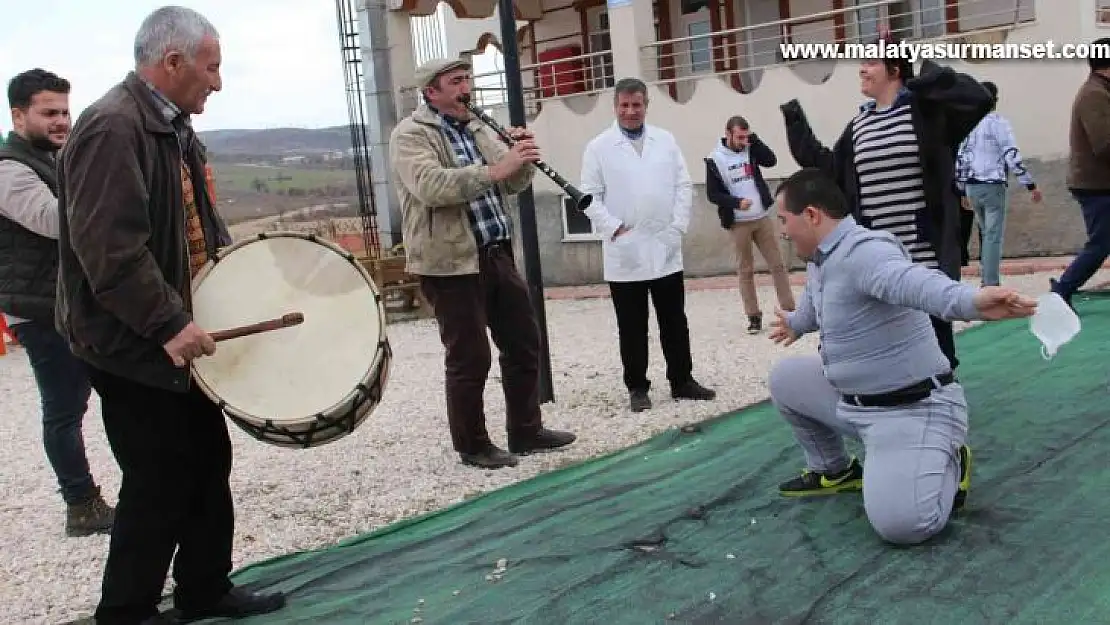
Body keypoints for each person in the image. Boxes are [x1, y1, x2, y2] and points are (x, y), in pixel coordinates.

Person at [55, 7, 286, 624]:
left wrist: (238, 285)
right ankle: (126, 612)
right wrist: (167, 324)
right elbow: (110, 251)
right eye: (211, 68)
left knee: (208, 462)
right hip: (132, 341)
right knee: (157, 478)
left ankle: (204, 589)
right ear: (173, 61)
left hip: (177, 334)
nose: (218, 82)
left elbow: (197, 230)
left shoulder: (175, 128)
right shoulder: (111, 127)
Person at [766, 168, 1037, 545]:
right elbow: (816, 306)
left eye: (784, 220)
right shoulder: (821, 259)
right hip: (855, 403)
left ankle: (951, 459)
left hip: (911, 410)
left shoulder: (866, 252)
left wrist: (971, 301)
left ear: (812, 215)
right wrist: (796, 323)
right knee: (786, 378)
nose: (782, 230)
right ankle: (834, 471)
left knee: (903, 526)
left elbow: (913, 283)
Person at [388, 58, 576, 470]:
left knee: (524, 341)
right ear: (431, 92)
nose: (466, 89)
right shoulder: (410, 135)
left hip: (496, 252)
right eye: (456, 82)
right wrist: (497, 168)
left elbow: (511, 183)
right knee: (469, 356)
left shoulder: (477, 126)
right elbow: (431, 187)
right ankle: (472, 445)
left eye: (467, 80)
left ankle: (526, 430)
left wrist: (521, 160)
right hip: (448, 262)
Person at [779, 30, 993, 372]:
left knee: (937, 350)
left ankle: (943, 406)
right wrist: (794, 121)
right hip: (879, 261)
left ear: (894, 70)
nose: (861, 69)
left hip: (925, 254)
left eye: (870, 62)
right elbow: (830, 169)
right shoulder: (860, 125)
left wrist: (928, 76)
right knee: (883, 343)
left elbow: (979, 98)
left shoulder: (926, 112)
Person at [0, 69, 115, 537]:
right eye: (49, 112)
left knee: (100, 393)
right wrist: (110, 197)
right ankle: (81, 504)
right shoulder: (8, 167)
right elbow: (52, 220)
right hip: (39, 308)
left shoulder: (53, 158)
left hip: (65, 301)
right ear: (18, 114)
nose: (61, 121)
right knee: (65, 408)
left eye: (65, 111)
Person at [579, 77, 716, 413]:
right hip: (625, 250)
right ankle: (637, 387)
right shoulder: (598, 147)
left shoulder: (665, 141)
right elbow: (588, 198)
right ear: (615, 106)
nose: (630, 111)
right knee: (632, 324)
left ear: (645, 106)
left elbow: (683, 185)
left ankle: (682, 380)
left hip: (664, 244)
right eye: (624, 105)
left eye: (636, 104)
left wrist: (677, 226)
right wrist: (613, 228)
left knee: (674, 318)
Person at [704, 115, 795, 334]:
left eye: (746, 136)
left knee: (777, 264)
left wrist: (754, 140)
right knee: (745, 269)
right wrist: (736, 203)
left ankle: (790, 310)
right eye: (739, 137)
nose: (743, 141)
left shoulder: (751, 148)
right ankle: (753, 316)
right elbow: (712, 194)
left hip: (761, 217)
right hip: (738, 223)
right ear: (728, 134)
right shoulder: (715, 159)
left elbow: (771, 160)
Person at [956, 81, 1042, 287]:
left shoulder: (967, 124)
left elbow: (961, 157)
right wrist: (1029, 184)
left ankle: (987, 277)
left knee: (986, 232)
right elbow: (1011, 155)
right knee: (993, 236)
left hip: (972, 185)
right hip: (992, 184)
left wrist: (961, 189)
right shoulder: (998, 123)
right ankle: (990, 281)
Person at [1050, 38, 1110, 308]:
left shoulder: (1102, 91)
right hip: (1097, 184)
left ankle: (1062, 289)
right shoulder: (1094, 94)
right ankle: (1062, 290)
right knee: (1101, 244)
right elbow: (1105, 145)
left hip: (1100, 182)